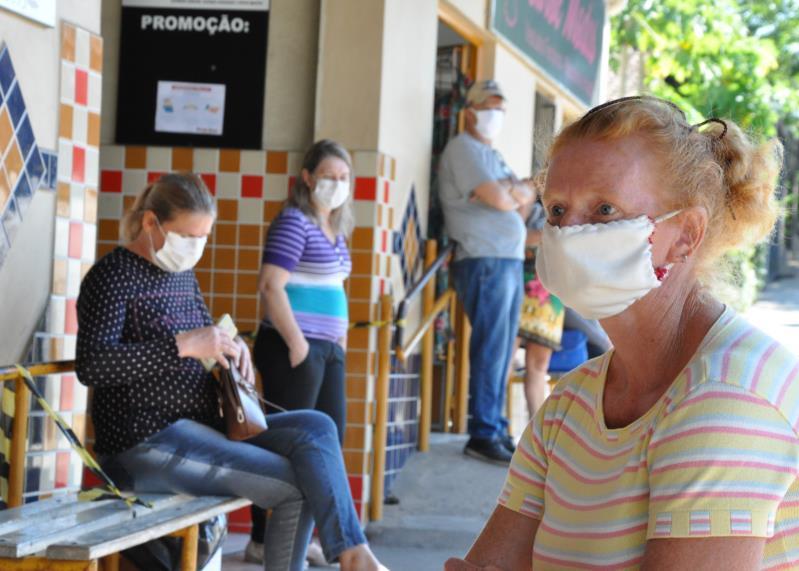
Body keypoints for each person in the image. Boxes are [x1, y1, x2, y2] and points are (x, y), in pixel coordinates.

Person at [445, 95, 799, 570]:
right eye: (556, 211)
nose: (569, 233)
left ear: (686, 234)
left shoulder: (728, 398)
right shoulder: (568, 409)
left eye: (605, 210)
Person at [75, 174, 386, 571]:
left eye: (204, 236)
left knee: (318, 427)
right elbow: (93, 365)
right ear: (150, 223)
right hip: (144, 441)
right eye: (187, 235)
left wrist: (231, 347)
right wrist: (183, 345)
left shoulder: (181, 276)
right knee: (294, 487)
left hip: (205, 426)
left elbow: (207, 338)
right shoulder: (112, 276)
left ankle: (353, 551)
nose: (195, 247)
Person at [248, 139, 353, 564]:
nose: (337, 184)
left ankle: (301, 537)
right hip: (294, 348)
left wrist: (337, 342)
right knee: (283, 445)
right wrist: (298, 344)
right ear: (307, 178)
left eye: (344, 178)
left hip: (326, 352)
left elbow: (333, 287)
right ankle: (261, 538)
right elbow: (271, 285)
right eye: (329, 176)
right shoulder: (294, 221)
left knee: (328, 443)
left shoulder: (334, 228)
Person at [438, 79, 536, 464]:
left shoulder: (491, 156)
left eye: (501, 108)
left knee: (504, 349)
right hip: (483, 260)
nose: (495, 115)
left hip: (506, 259)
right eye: (489, 107)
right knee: (492, 348)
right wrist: (513, 192)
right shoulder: (463, 149)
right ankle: (482, 431)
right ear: (470, 111)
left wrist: (516, 192)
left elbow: (523, 203)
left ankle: (494, 426)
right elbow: (501, 199)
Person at [516, 199, 565, 418]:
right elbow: (516, 236)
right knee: (504, 360)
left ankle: (536, 431)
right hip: (521, 288)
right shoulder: (525, 203)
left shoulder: (568, 210)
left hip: (551, 295)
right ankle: (493, 428)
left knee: (539, 365)